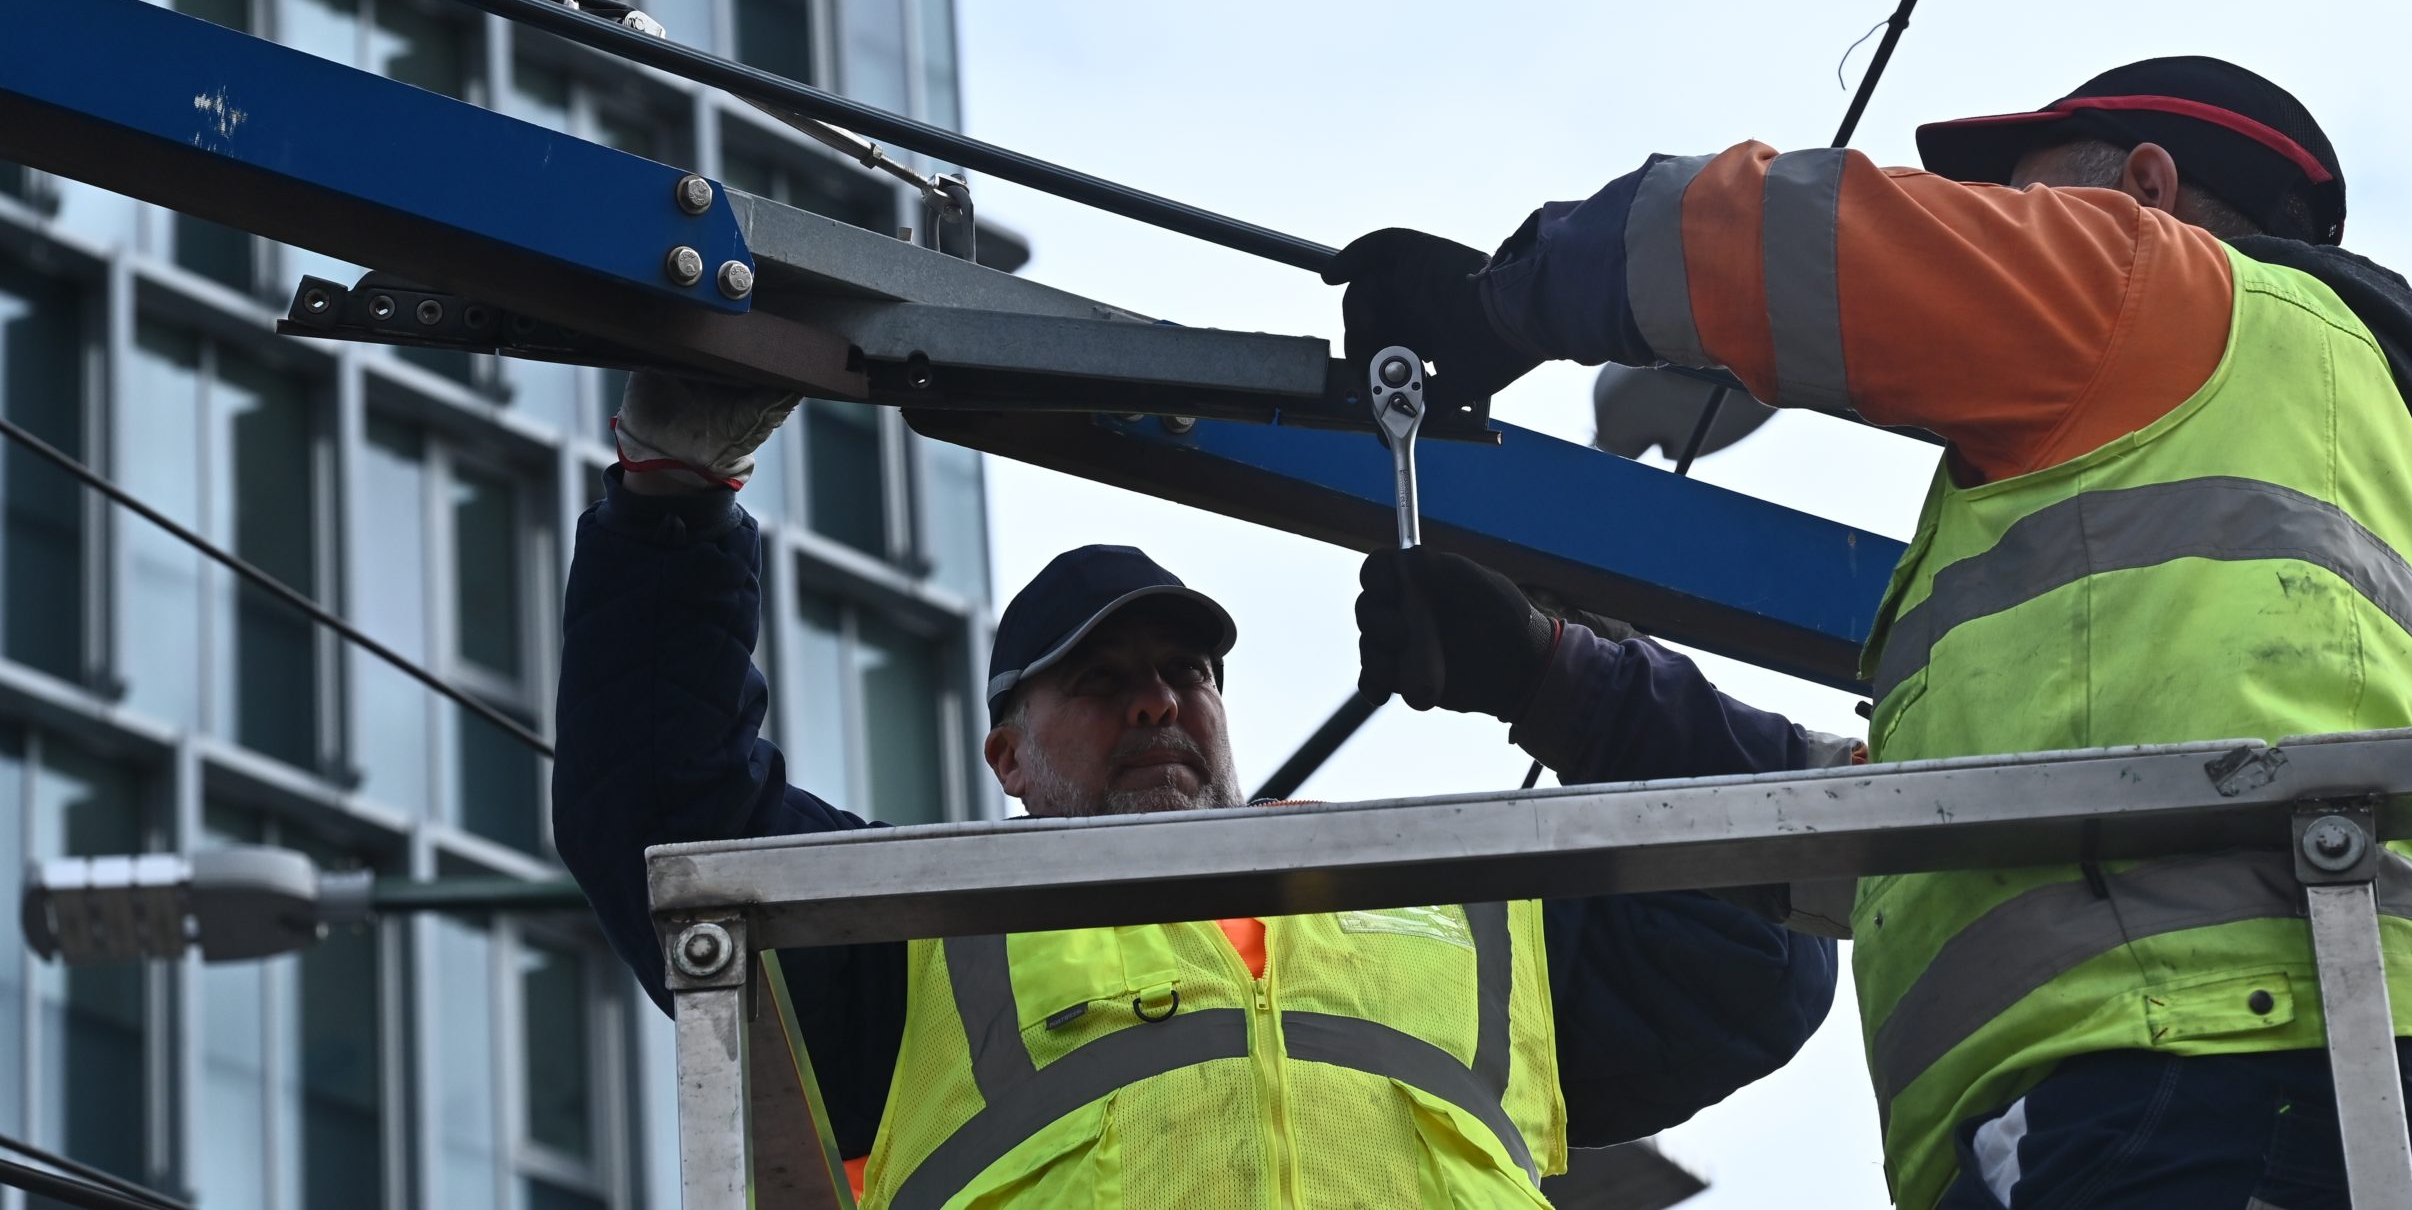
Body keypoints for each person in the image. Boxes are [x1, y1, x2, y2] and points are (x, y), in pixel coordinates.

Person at [1327, 55, 2412, 1209]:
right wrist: (1558, 681)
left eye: (2024, 200)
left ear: (2141, 189)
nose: (1998, 229)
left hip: (2195, 1070)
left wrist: (1501, 299)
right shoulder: (2286, 454)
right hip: (2395, 1078)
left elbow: (1786, 241)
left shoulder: (2158, 284)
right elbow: (1906, 834)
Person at [552, 376, 1836, 1208]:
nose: (1156, 700)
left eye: (1182, 671)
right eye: (1099, 681)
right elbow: (671, 812)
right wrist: (672, 506)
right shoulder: (928, 935)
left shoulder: (1455, 905)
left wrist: (1559, 678)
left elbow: (1754, 943)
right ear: (1008, 759)